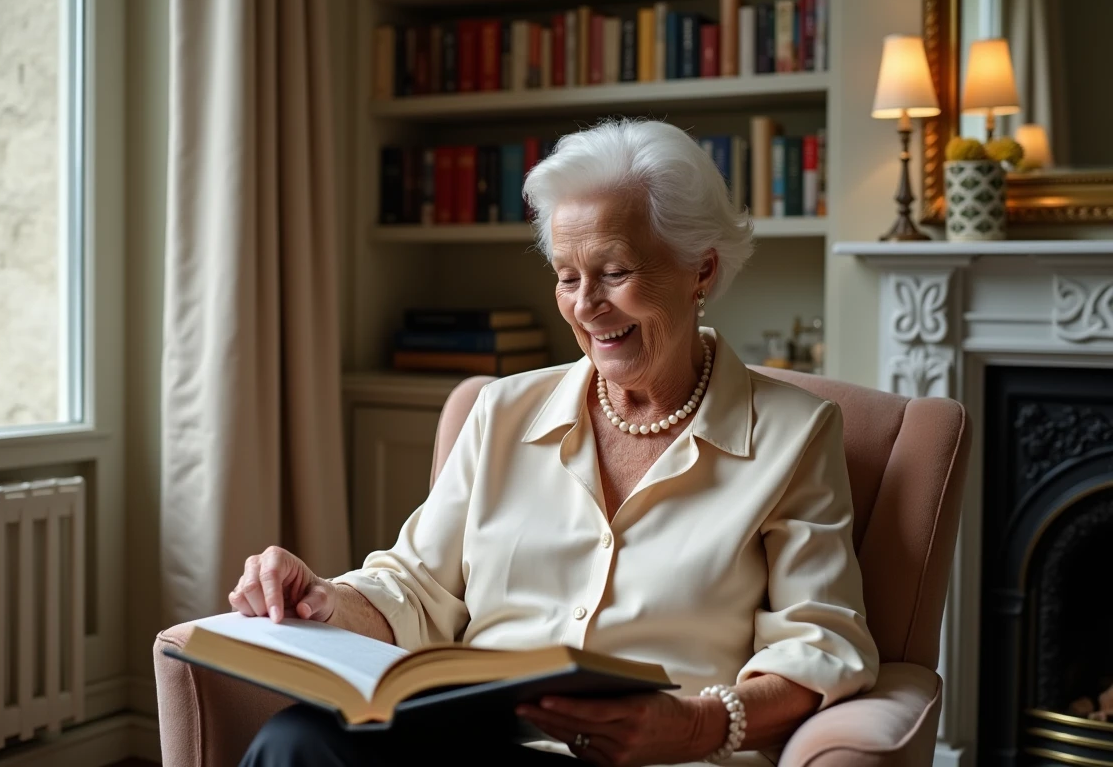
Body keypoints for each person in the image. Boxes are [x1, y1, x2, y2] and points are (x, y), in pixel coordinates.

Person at [229, 119, 879, 766]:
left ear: (699, 270)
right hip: (479, 742)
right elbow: (415, 585)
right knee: (295, 740)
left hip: (659, 759)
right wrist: (323, 597)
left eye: (615, 271)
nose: (586, 304)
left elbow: (820, 646)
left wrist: (690, 724)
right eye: (568, 277)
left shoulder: (794, 434)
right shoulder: (504, 412)